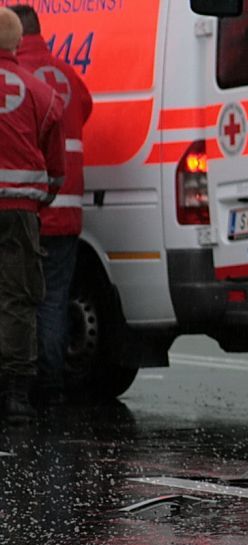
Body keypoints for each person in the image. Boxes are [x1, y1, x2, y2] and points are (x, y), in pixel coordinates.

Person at [11, 5, 93, 407]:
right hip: (68, 206)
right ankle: (53, 386)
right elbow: (86, 109)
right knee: (55, 299)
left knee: (19, 298)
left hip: (30, 205)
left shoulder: (18, 77)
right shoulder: (66, 75)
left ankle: (24, 386)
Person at [0, 7, 64, 424]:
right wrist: (41, 199)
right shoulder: (41, 93)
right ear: (18, 42)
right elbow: (57, 170)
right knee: (18, 298)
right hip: (20, 213)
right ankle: (16, 395)